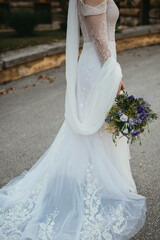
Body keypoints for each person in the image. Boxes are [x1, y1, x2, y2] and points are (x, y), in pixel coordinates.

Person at [0, 0, 146, 239]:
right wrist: (113, 73)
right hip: (99, 67)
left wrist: (113, 68)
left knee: (101, 127)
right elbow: (99, 38)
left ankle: (102, 181)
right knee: (93, 127)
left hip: (102, 63)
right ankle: (90, 186)